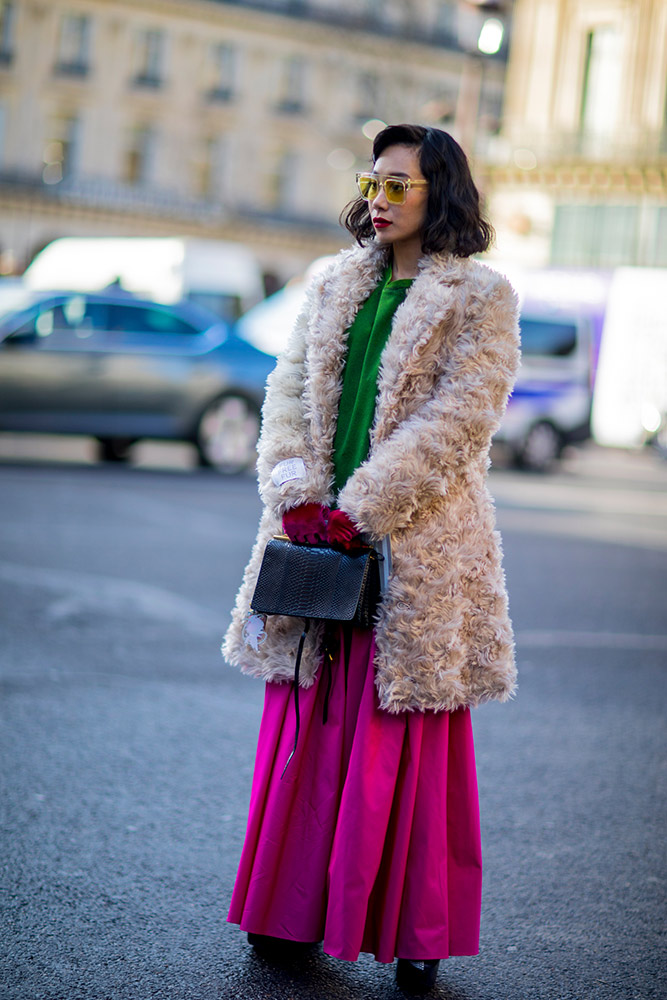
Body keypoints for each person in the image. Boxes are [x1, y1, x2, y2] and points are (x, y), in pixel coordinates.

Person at [223, 123, 520, 994]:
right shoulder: (335, 281)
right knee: (306, 730)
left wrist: (360, 508)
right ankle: (287, 914)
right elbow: (284, 391)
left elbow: (462, 421)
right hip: (317, 536)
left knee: (405, 735)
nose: (380, 200)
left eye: (401, 187)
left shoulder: (479, 295)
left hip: (416, 547)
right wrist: (294, 488)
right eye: (374, 182)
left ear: (442, 195)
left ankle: (413, 928)